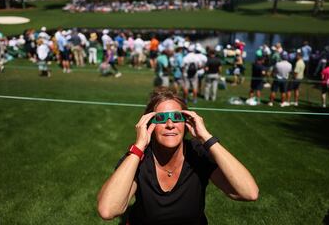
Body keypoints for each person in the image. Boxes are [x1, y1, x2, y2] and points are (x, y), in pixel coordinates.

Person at [97, 87, 259, 224]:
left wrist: (206, 138)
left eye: (177, 117)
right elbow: (108, 210)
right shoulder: (139, 158)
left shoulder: (197, 153)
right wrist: (139, 147)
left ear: (187, 121)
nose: (170, 125)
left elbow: (249, 193)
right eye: (160, 118)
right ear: (148, 125)